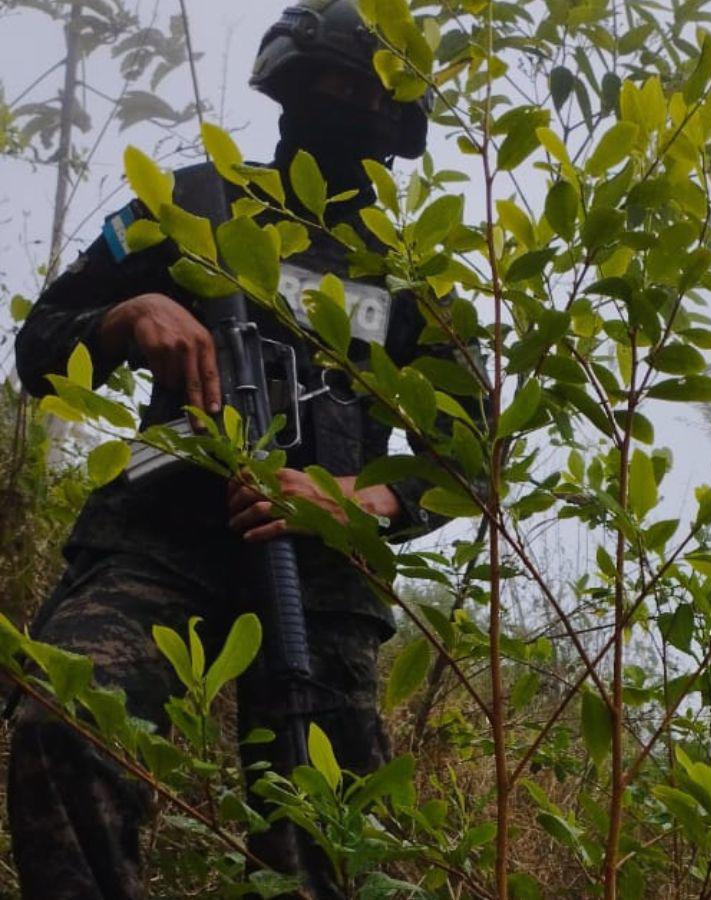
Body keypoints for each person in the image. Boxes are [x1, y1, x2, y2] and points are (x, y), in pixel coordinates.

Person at [7, 2, 449, 896]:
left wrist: (361, 502)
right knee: (67, 723)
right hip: (157, 540)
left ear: (393, 117)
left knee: (323, 837)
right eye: (320, 83)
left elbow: (468, 460)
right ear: (283, 90)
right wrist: (126, 317)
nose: (336, 102)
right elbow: (41, 348)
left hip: (320, 586)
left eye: (356, 90)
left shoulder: (409, 275)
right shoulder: (192, 206)